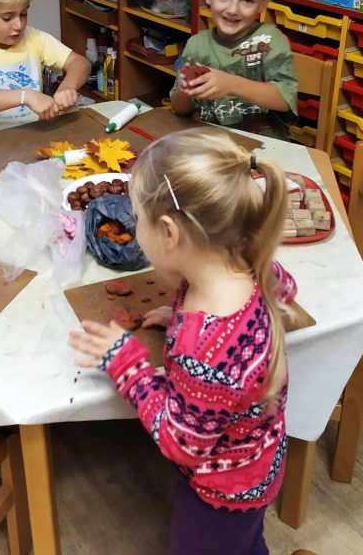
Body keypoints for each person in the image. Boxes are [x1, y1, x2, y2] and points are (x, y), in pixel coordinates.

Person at [68, 128, 296, 555]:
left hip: (220, 495)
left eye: (137, 219)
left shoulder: (205, 349)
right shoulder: (248, 260)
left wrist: (127, 364)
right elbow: (284, 291)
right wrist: (179, 316)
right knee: (246, 544)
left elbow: (181, 442)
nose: (136, 231)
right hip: (259, 461)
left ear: (170, 233)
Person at [171, 0, 298, 142]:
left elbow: (285, 99)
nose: (233, 9)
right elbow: (180, 110)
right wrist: (182, 92)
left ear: (264, 2)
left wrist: (230, 84)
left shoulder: (270, 40)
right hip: (213, 144)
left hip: (265, 148)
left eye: (247, 0)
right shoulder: (196, 45)